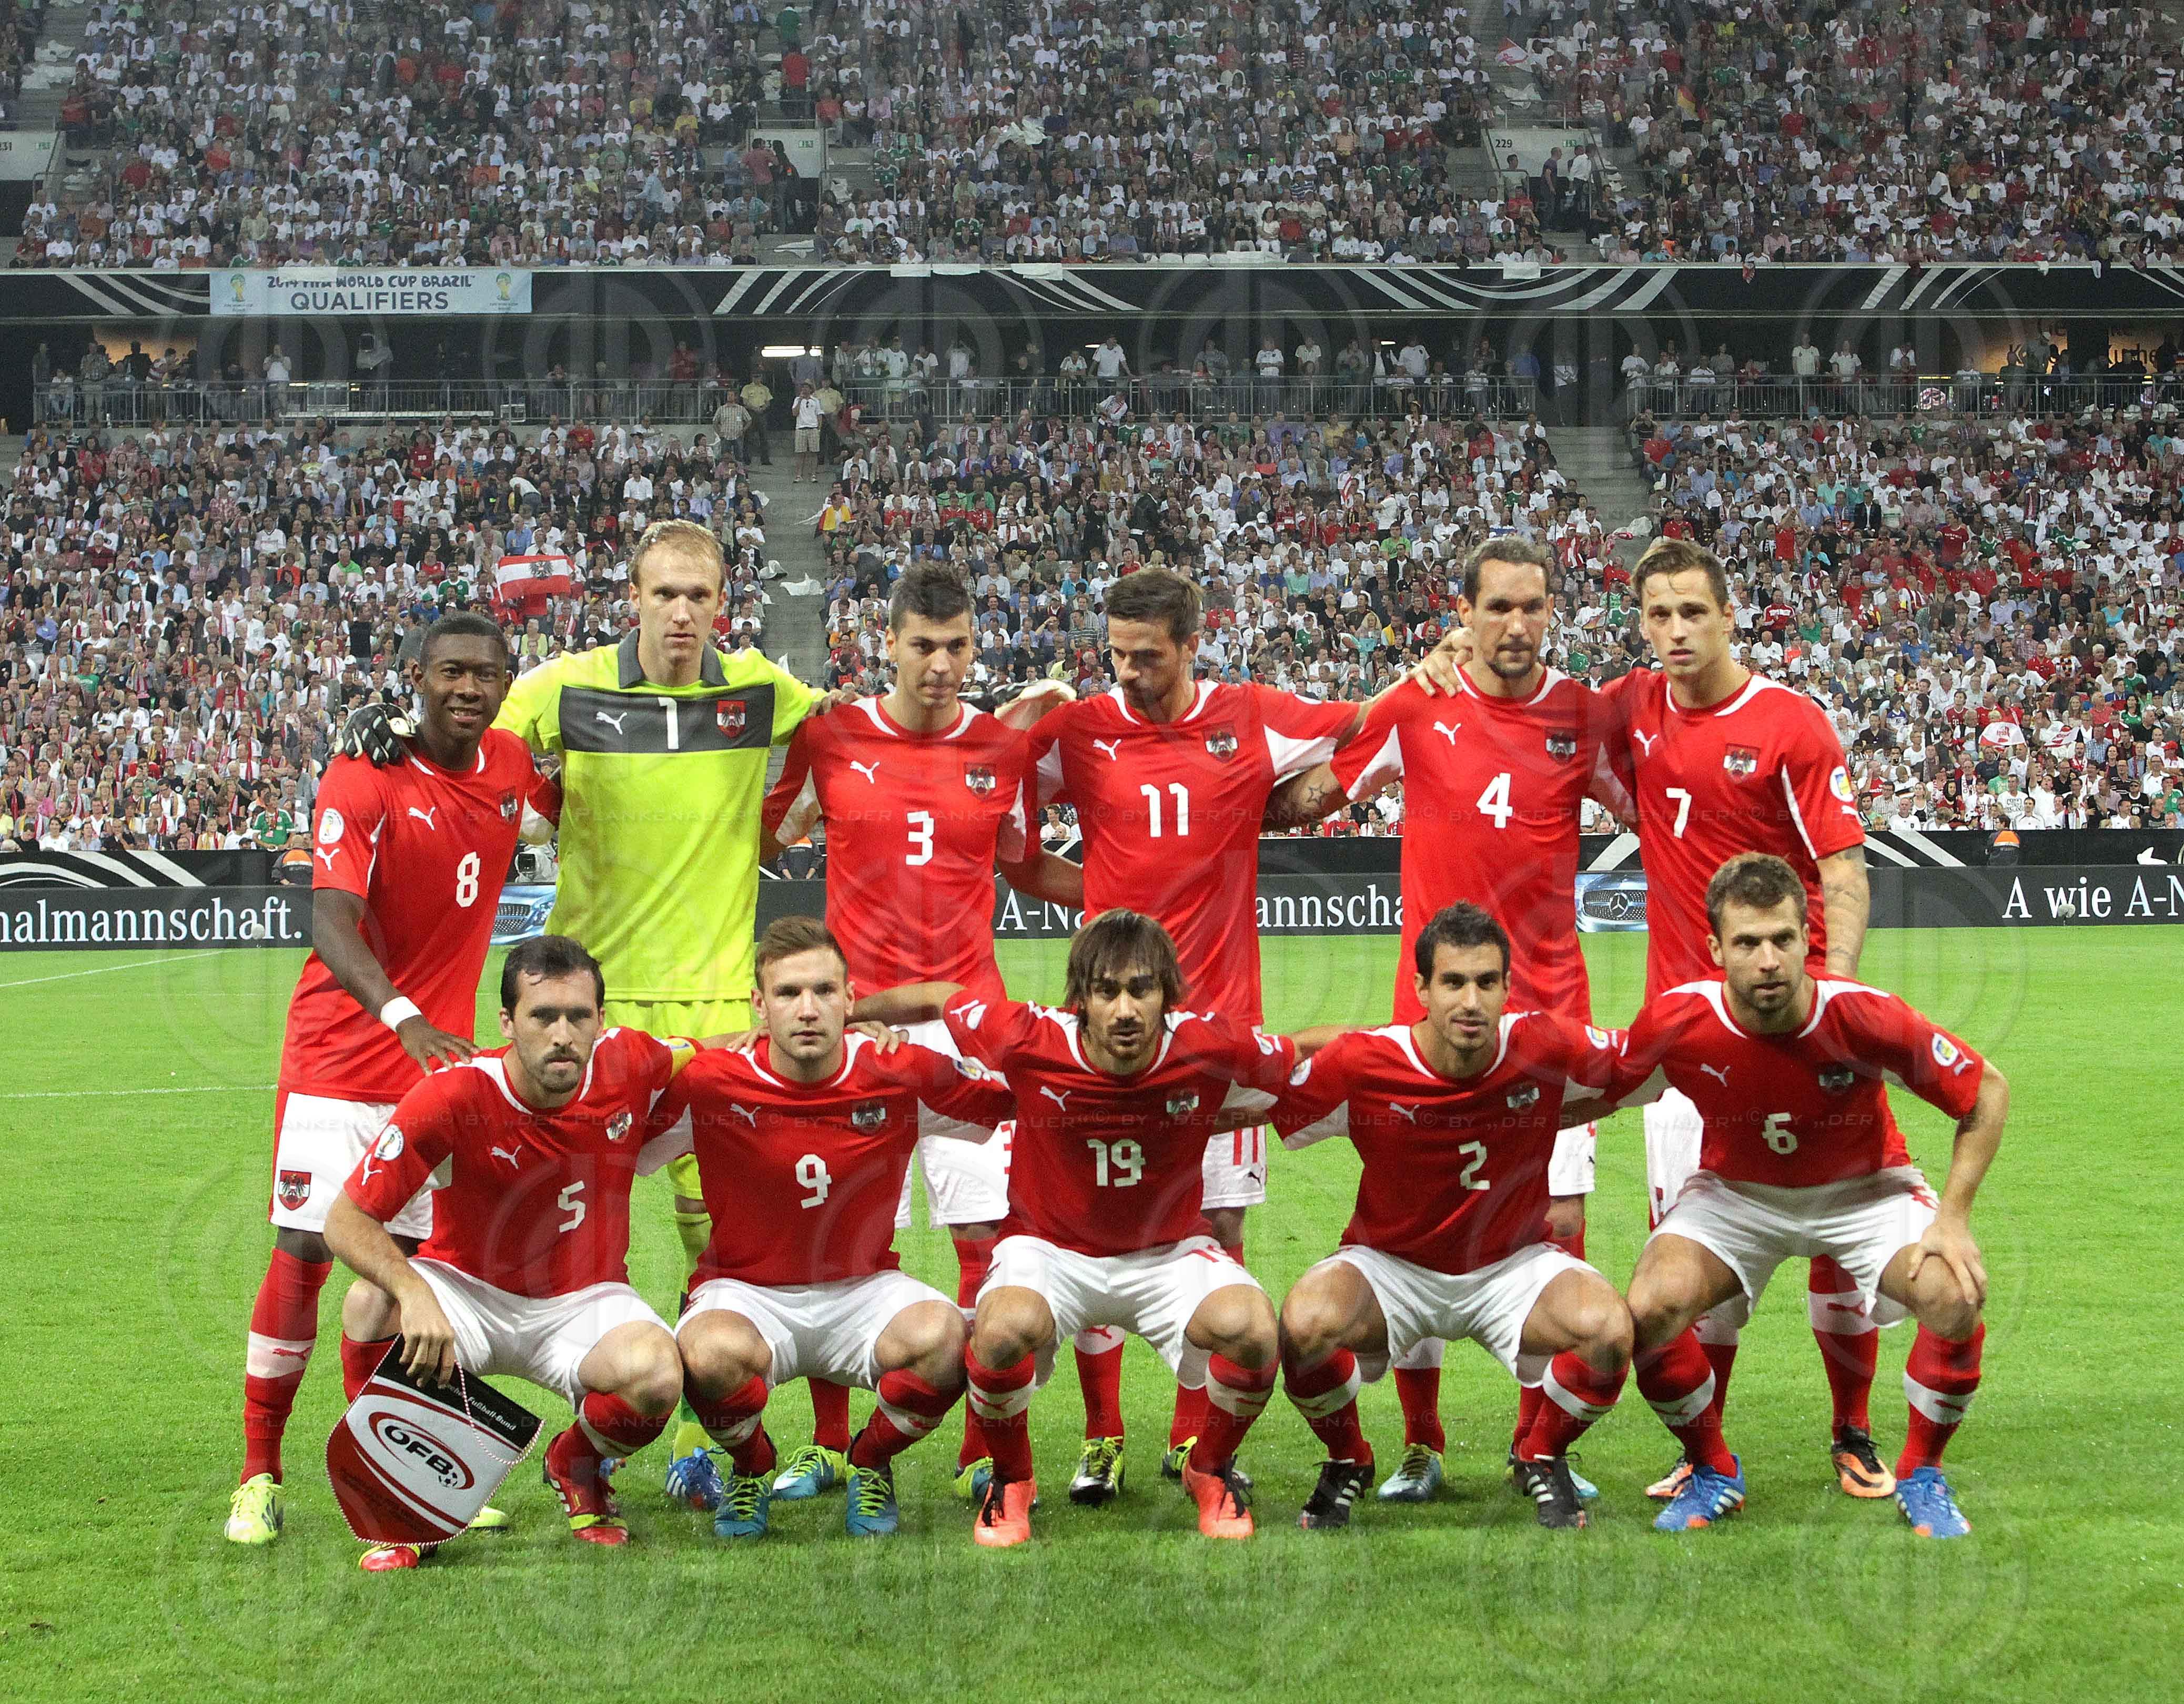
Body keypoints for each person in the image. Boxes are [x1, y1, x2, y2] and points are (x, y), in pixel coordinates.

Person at [340, 521, 833, 1476]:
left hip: (717, 1011)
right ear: (634, 597)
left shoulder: (758, 692)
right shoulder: (562, 688)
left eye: (700, 595)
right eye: (665, 594)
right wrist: (387, 728)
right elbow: (464, 727)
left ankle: (704, 1432)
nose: (682, 612)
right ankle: (449, 1418)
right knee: (528, 1212)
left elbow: (847, 734)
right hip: (586, 1015)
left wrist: (780, 824)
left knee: (730, 1237)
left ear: (722, 599)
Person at [1267, 536, 1627, 1504]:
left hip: (1549, 1022)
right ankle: (1421, 1447)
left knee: (1555, 1223)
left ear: (1551, 612)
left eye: (1533, 608)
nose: (1517, 626)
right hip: (1422, 1038)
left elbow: (1662, 812)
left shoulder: (1581, 717)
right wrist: (1383, 698)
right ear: (1460, 614)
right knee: (1419, 1230)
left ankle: (1538, 1445)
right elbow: (1299, 803)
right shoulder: (1419, 708)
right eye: (1498, 608)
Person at [226, 613, 556, 1547]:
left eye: (484, 675)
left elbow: (576, 787)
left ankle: (387, 1472)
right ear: (417, 676)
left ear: (504, 685)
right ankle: (259, 1473)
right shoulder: (363, 770)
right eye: (448, 672)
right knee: (303, 1257)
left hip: (436, 1070)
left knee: (400, 1280)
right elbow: (331, 920)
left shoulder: (509, 768)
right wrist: (405, 1017)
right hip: (344, 1056)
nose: (466, 688)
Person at [851, 911, 1335, 1545]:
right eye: (1107, 992)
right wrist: (854, 1011)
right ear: (1081, 997)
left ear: (1168, 993)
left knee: (1254, 1329)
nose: (1126, 1009)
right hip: (1050, 1249)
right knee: (997, 1334)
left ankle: (1210, 1470)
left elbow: (1301, 1048)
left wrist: (1412, 1037)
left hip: (1168, 1253)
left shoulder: (1209, 1043)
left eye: (1142, 989)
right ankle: (1013, 1480)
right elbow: (945, 998)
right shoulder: (1027, 1036)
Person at [758, 564, 1081, 1502]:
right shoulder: (829, 736)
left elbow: (1025, 866)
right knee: (844, 1243)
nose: (940, 664)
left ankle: (984, 1443)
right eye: (923, 646)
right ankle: (832, 1446)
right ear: (887, 642)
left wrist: (1147, 891)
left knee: (988, 1237)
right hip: (851, 1030)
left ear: (975, 647)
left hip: (967, 1027)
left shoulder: (1000, 752)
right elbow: (765, 839)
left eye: (957, 647)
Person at [1597, 538, 1884, 1504]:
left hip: (1796, 1029)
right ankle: (1706, 1453)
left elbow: (1841, 870)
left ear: (1728, 616)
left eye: (1692, 613)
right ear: (1639, 624)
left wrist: (1833, 1002)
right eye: (1657, 615)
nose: (1675, 632)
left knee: (1843, 1242)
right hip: (1687, 1046)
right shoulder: (1630, 708)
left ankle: (1852, 1431)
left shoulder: (1789, 726)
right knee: (1693, 1268)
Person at [1605, 854, 2005, 1540]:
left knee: (1954, 1292)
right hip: (1737, 1197)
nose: (1768, 960)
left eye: (1783, 940)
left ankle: (1922, 1473)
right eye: (1748, 942)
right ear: (1715, 950)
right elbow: (1600, 1086)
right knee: (1649, 1309)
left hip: (1866, 1192)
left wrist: (1955, 1220)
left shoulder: (1861, 1017)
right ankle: (1712, 1467)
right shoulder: (1679, 1021)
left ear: (1805, 938)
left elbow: (1986, 1091)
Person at [323, 936, 698, 1569]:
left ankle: (576, 1465)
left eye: (579, 1017)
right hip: (466, 1293)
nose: (562, 1034)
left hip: (585, 1297)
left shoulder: (633, 1061)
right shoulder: (455, 1095)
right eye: (542, 1017)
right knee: (370, 1304)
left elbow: (720, 1056)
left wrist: (840, 1029)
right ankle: (402, 1504)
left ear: (600, 1021)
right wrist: (416, 1294)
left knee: (658, 1375)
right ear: (507, 1023)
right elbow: (345, 1218)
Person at [648, 918, 1017, 1538]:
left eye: (824, 991)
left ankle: (870, 1461)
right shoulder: (712, 1080)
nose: (808, 1009)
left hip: (863, 1289)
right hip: (746, 1291)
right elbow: (606, 1130)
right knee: (703, 1356)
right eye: (789, 994)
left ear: (851, 1001)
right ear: (760, 1006)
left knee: (950, 1340)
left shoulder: (898, 1070)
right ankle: (753, 1466)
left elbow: (1019, 1097)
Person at [1271, 904, 1631, 1531]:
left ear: (1507, 988)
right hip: (1392, 1268)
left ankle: (1543, 1453)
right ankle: (1347, 1458)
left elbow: (1639, 1067)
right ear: (1422, 989)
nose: (1471, 1000)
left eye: (1486, 982)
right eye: (1454, 982)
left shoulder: (1544, 1045)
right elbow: (1265, 1106)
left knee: (1608, 1331)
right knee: (1303, 1325)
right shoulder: (1365, 1061)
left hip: (1511, 1266)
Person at [792, 381, 827, 483]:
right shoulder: (797, 400)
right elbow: (794, 413)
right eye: (803, 388)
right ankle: (799, 475)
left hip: (813, 429)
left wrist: (819, 429)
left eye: (807, 388)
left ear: (811, 390)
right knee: (800, 453)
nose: (805, 389)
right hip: (801, 428)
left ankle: (813, 475)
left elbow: (819, 415)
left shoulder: (816, 401)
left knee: (814, 453)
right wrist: (800, 400)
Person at [739, 372, 774, 464]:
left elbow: (768, 402)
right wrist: (755, 409)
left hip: (762, 413)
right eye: (755, 377)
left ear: (761, 377)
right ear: (752, 378)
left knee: (764, 437)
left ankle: (765, 460)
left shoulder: (765, 389)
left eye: (758, 377)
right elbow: (745, 402)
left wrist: (762, 409)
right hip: (751, 413)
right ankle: (747, 459)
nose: (757, 379)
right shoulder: (747, 388)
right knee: (748, 437)